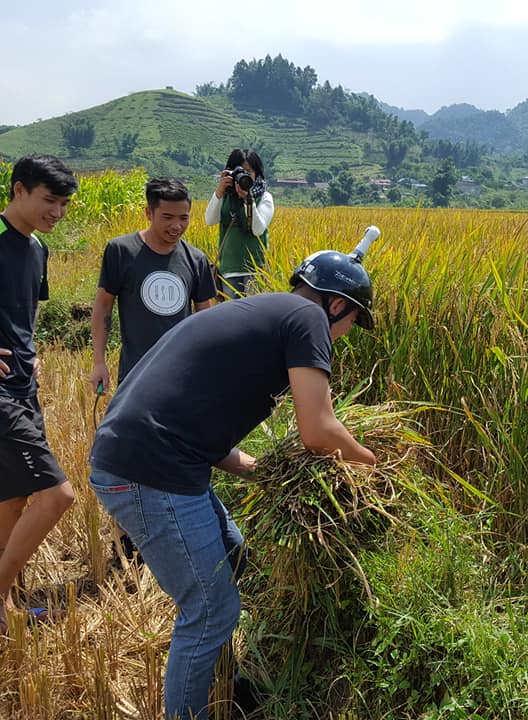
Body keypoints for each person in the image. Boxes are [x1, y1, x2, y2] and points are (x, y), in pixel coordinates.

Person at [88, 239, 377, 720]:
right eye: (351, 323)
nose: (346, 334)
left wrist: (257, 471)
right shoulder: (308, 320)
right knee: (209, 609)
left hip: (146, 457)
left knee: (233, 558)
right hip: (150, 472)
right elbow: (318, 432)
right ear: (337, 304)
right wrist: (371, 463)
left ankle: (222, 682)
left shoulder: (262, 314)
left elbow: (188, 410)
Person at [0, 155, 79, 635]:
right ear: (18, 190)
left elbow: (23, 315)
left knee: (11, 499)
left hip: (23, 388)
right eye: (50, 200)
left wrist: (34, 354)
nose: (57, 211)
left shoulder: (37, 251)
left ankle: (5, 606)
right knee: (59, 494)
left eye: (64, 204)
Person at [89, 177, 217, 394]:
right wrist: (99, 362)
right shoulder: (121, 251)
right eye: (167, 217)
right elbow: (103, 306)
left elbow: (206, 320)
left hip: (182, 373)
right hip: (135, 374)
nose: (176, 226)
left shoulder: (196, 260)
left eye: (183, 218)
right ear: (149, 213)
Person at [205, 148, 275, 299]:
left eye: (248, 172)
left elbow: (258, 229)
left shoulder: (264, 197)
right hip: (229, 268)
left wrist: (248, 200)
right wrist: (219, 192)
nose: (243, 176)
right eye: (239, 172)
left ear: (257, 174)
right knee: (231, 319)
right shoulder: (225, 197)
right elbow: (210, 220)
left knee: (253, 318)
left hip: (255, 270)